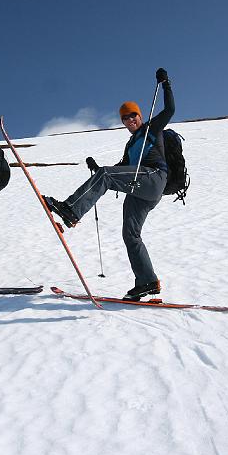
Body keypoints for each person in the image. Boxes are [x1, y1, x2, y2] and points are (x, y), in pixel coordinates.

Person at [43, 67, 174, 300]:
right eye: (125, 117)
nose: (130, 120)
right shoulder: (131, 144)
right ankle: (148, 282)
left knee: (106, 175)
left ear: (140, 116)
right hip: (139, 187)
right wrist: (97, 169)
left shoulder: (151, 128)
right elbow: (121, 167)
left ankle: (71, 211)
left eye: (133, 115)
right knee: (130, 235)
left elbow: (171, 109)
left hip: (153, 178)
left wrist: (166, 83)